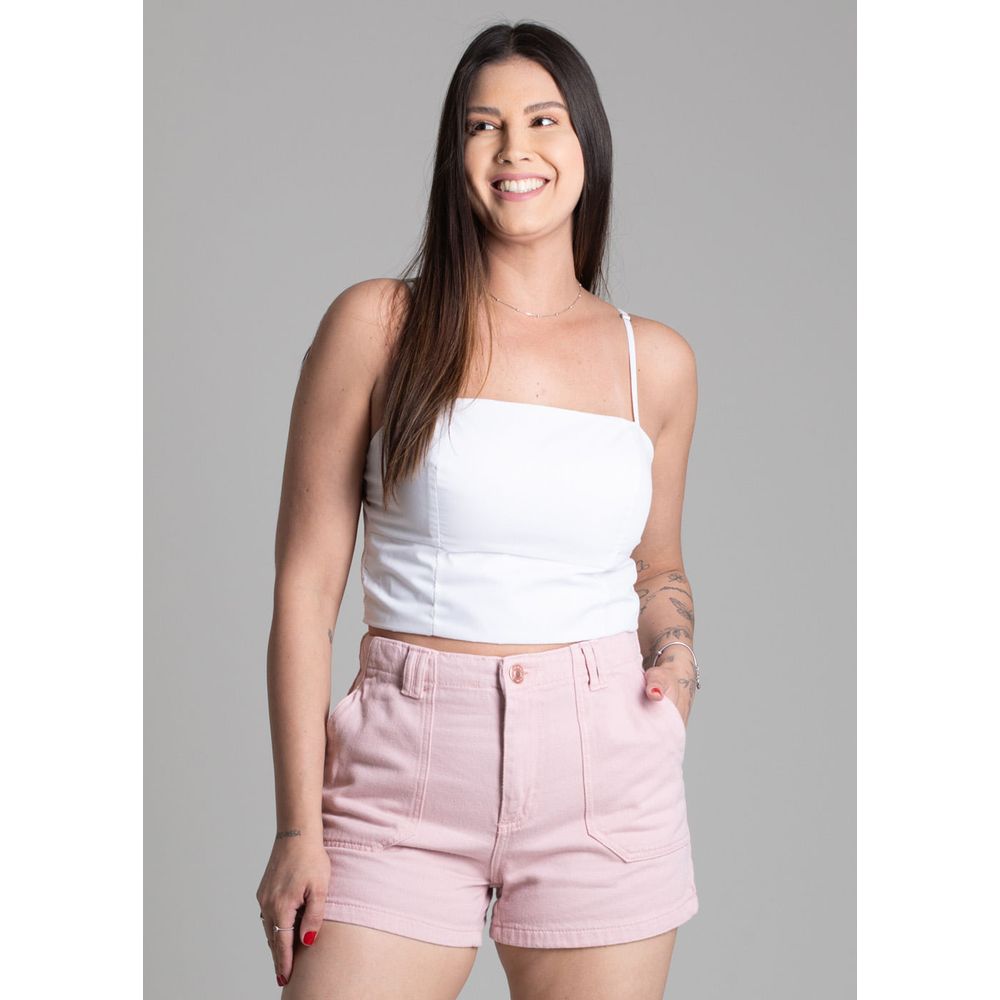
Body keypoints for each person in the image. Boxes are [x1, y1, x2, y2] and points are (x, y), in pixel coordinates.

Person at [256, 20, 701, 999]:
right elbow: (305, 590)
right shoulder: (379, 325)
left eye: (542, 120)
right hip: (402, 778)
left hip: (603, 781)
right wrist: (297, 825)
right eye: (482, 125)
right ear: (454, 154)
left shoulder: (655, 362)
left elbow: (658, 566)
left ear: (586, 142)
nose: (513, 149)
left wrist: (676, 664)